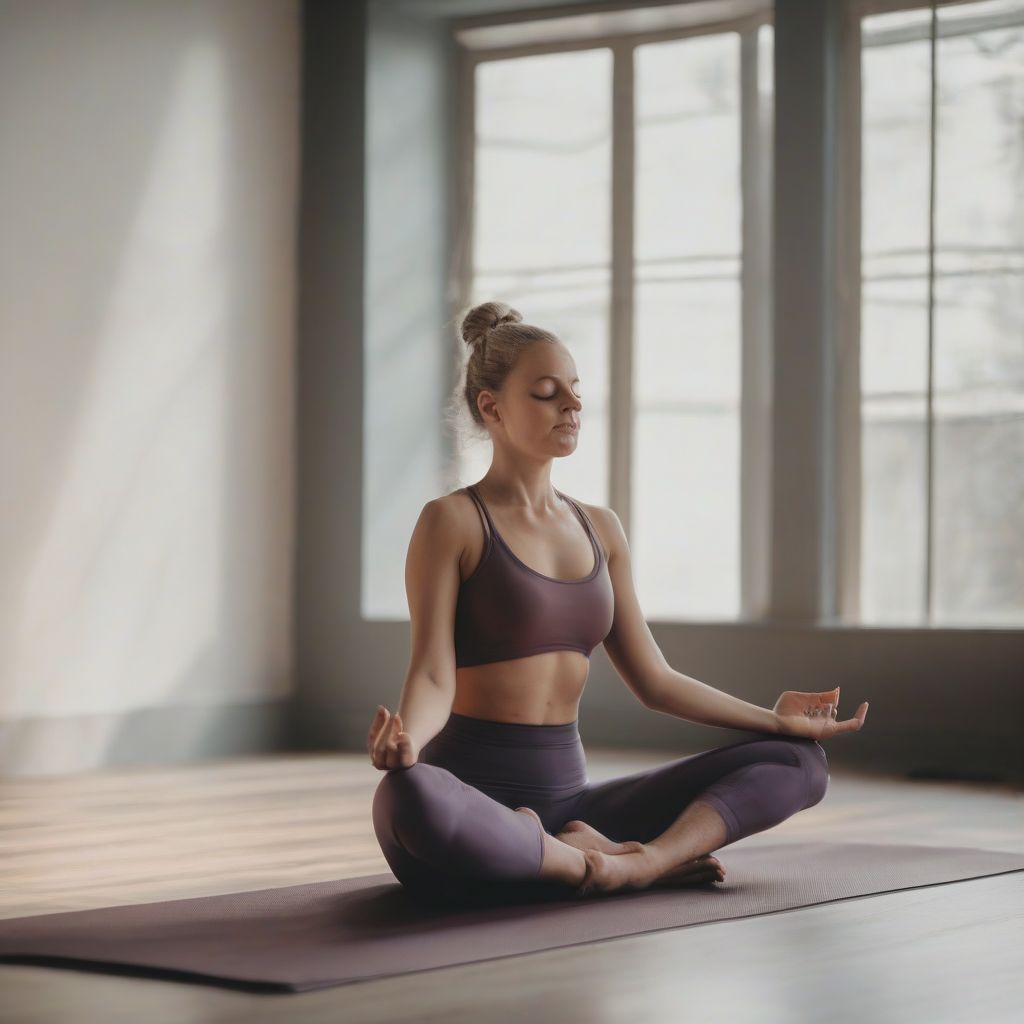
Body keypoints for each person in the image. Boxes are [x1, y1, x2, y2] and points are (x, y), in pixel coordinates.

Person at [369, 300, 869, 906]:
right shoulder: (452, 521)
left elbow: (655, 680)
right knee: (407, 796)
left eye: (576, 391)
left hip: (574, 808)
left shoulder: (600, 528)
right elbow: (430, 672)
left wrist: (776, 720)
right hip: (477, 809)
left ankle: (634, 864)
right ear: (491, 407)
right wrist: (408, 744)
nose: (572, 406)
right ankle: (588, 864)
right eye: (548, 393)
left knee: (799, 762)